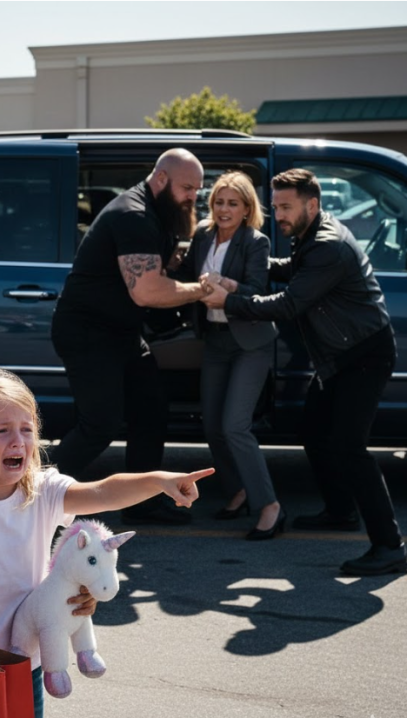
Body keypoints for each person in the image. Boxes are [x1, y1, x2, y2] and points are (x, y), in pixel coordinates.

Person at [0, 366, 214, 718]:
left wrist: (159, 480)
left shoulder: (43, 491)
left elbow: (103, 491)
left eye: (27, 429)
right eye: (2, 431)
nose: (19, 441)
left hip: (27, 663)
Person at [202, 168, 405, 574]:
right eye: (275, 206)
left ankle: (390, 544)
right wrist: (250, 268)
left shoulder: (327, 245)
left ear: (312, 204)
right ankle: (340, 510)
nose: (278, 214)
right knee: (313, 430)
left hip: (363, 355)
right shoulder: (313, 236)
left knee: (349, 446)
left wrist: (230, 299)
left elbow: (288, 305)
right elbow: (295, 267)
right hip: (339, 355)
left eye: (286, 207)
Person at [50, 148, 210, 526]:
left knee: (151, 408)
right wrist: (201, 289)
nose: (193, 197)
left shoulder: (156, 212)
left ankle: (142, 503)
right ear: (161, 179)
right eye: (187, 187)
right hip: (88, 333)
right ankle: (24, 495)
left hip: (120, 332)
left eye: (197, 190)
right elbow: (148, 292)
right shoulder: (133, 214)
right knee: (100, 425)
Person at [176, 171, 283, 540]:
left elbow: (256, 290)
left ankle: (268, 506)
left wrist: (226, 285)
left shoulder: (256, 241)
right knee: (212, 426)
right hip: (215, 339)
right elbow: (185, 271)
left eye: (232, 203)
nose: (224, 209)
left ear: (246, 208)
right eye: (219, 202)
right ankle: (237, 489)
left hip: (250, 341)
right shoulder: (202, 236)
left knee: (235, 425)